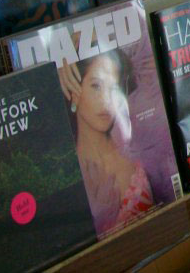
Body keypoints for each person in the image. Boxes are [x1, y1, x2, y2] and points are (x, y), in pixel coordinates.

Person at [59, 50, 153, 235]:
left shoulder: (137, 151)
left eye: (114, 88)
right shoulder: (65, 175)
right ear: (73, 91)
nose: (107, 100)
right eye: (96, 86)